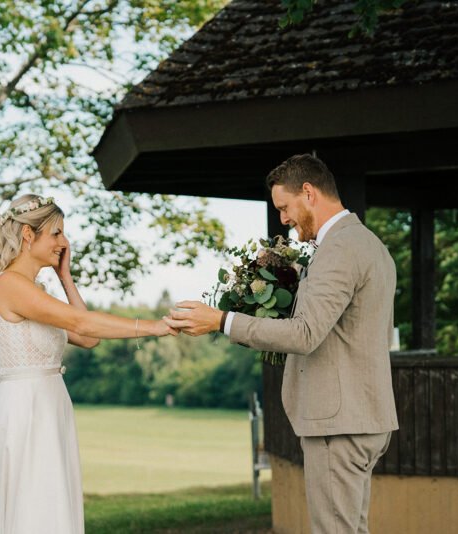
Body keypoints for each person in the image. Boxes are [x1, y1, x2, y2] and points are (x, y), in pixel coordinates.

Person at [164, 154, 398, 534]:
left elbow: (305, 334)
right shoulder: (369, 244)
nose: (284, 219)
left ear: (308, 193)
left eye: (285, 208)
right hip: (361, 416)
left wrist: (221, 320)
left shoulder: (339, 249)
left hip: (337, 424)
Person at [0, 194, 175, 534]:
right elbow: (85, 325)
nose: (65, 242)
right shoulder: (12, 285)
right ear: (29, 236)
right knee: (32, 505)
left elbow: (88, 339)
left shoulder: (34, 289)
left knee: (49, 502)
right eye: (56, 233)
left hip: (48, 405)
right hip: (26, 410)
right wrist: (154, 327)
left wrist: (66, 278)